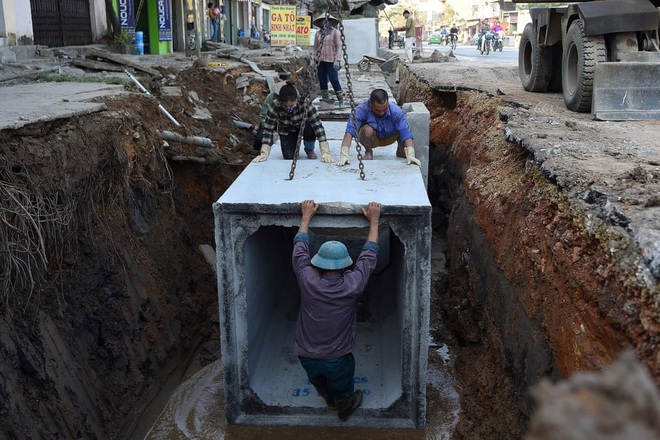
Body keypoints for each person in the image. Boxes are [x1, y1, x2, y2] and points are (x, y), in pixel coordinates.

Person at [292, 199, 381, 422]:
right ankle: (343, 407)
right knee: (342, 386)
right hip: (337, 358)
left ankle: (330, 402)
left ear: (318, 263)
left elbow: (300, 248)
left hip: (305, 354)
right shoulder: (352, 284)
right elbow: (369, 255)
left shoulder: (307, 278)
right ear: (345, 265)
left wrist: (305, 218)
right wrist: (374, 221)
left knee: (318, 381)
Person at [337, 88, 420, 166]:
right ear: (370, 104)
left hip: (390, 136)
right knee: (367, 130)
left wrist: (411, 153)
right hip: (372, 139)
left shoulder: (396, 112)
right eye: (378, 110)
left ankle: (401, 152)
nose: (381, 113)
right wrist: (344, 155)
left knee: (405, 127)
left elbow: (406, 133)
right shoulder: (361, 110)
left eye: (384, 109)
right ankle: (368, 152)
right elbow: (349, 132)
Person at [252, 84, 333, 162]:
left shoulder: (305, 103)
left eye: (291, 106)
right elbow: (268, 130)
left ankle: (309, 148)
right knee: (289, 156)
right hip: (287, 129)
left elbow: (317, 125)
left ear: (296, 99)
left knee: (310, 127)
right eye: (285, 106)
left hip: (304, 127)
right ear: (281, 101)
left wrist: (325, 151)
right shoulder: (275, 105)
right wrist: (264, 152)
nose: (288, 108)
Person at [313, 14, 344, 106]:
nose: (325, 22)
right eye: (323, 21)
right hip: (321, 61)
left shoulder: (335, 32)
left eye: (327, 21)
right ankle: (325, 100)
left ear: (331, 22)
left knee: (334, 79)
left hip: (331, 61)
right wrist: (313, 58)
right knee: (322, 80)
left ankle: (340, 100)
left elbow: (339, 47)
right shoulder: (318, 33)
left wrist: (337, 59)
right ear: (321, 22)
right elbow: (315, 48)